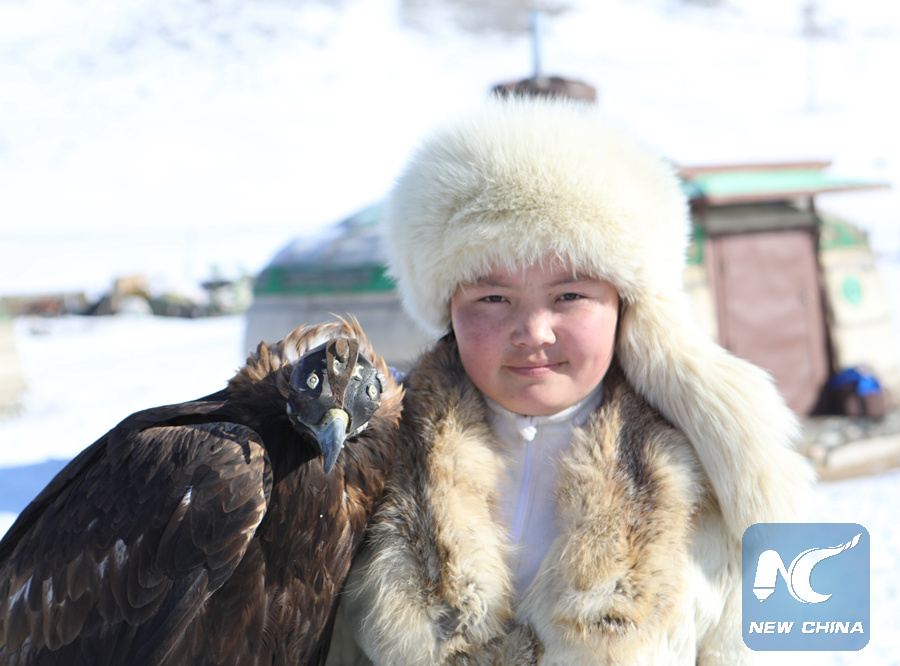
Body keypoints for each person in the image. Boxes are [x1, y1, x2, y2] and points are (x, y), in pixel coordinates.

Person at [326, 97, 814, 665]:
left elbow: (808, 648)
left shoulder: (741, 473)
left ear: (626, 304)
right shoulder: (363, 468)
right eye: (493, 298)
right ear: (447, 308)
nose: (533, 332)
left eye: (570, 295)